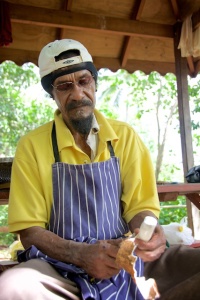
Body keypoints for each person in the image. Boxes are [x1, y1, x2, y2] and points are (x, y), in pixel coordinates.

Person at [0, 39, 199, 300]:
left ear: (95, 83)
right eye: (64, 86)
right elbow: (29, 232)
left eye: (84, 81)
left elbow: (140, 208)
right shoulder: (32, 146)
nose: (78, 94)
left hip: (126, 260)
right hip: (60, 268)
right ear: (52, 93)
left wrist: (147, 234)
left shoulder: (125, 137)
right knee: (13, 286)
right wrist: (80, 255)